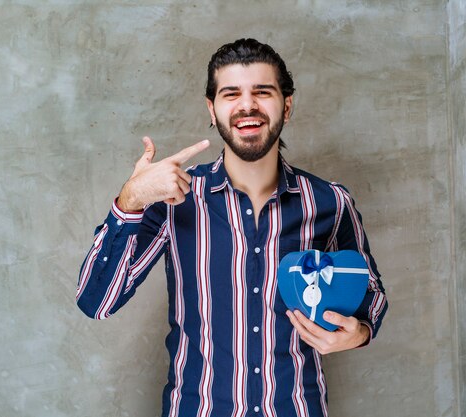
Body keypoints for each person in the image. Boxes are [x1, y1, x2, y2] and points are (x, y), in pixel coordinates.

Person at [77, 38, 388, 417]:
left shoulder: (330, 202)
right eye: (231, 94)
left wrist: (361, 332)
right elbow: (96, 302)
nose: (247, 105)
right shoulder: (174, 199)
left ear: (286, 106)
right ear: (212, 108)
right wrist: (131, 200)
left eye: (262, 91)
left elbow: (371, 291)